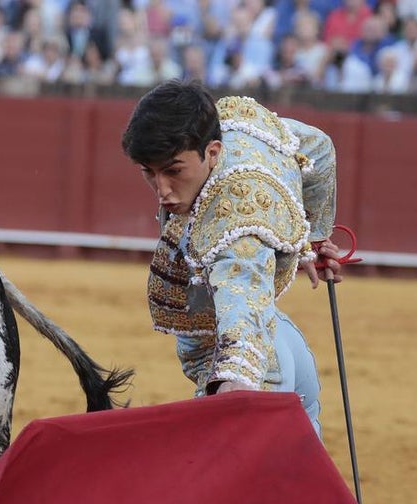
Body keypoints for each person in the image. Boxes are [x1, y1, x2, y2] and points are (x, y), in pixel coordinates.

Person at [120, 80, 345, 436]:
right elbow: (317, 147)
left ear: (212, 152)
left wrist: (234, 381)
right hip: (282, 341)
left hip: (258, 372)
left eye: (174, 170)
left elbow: (240, 291)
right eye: (150, 172)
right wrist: (313, 238)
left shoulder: (237, 224)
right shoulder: (234, 126)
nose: (162, 190)